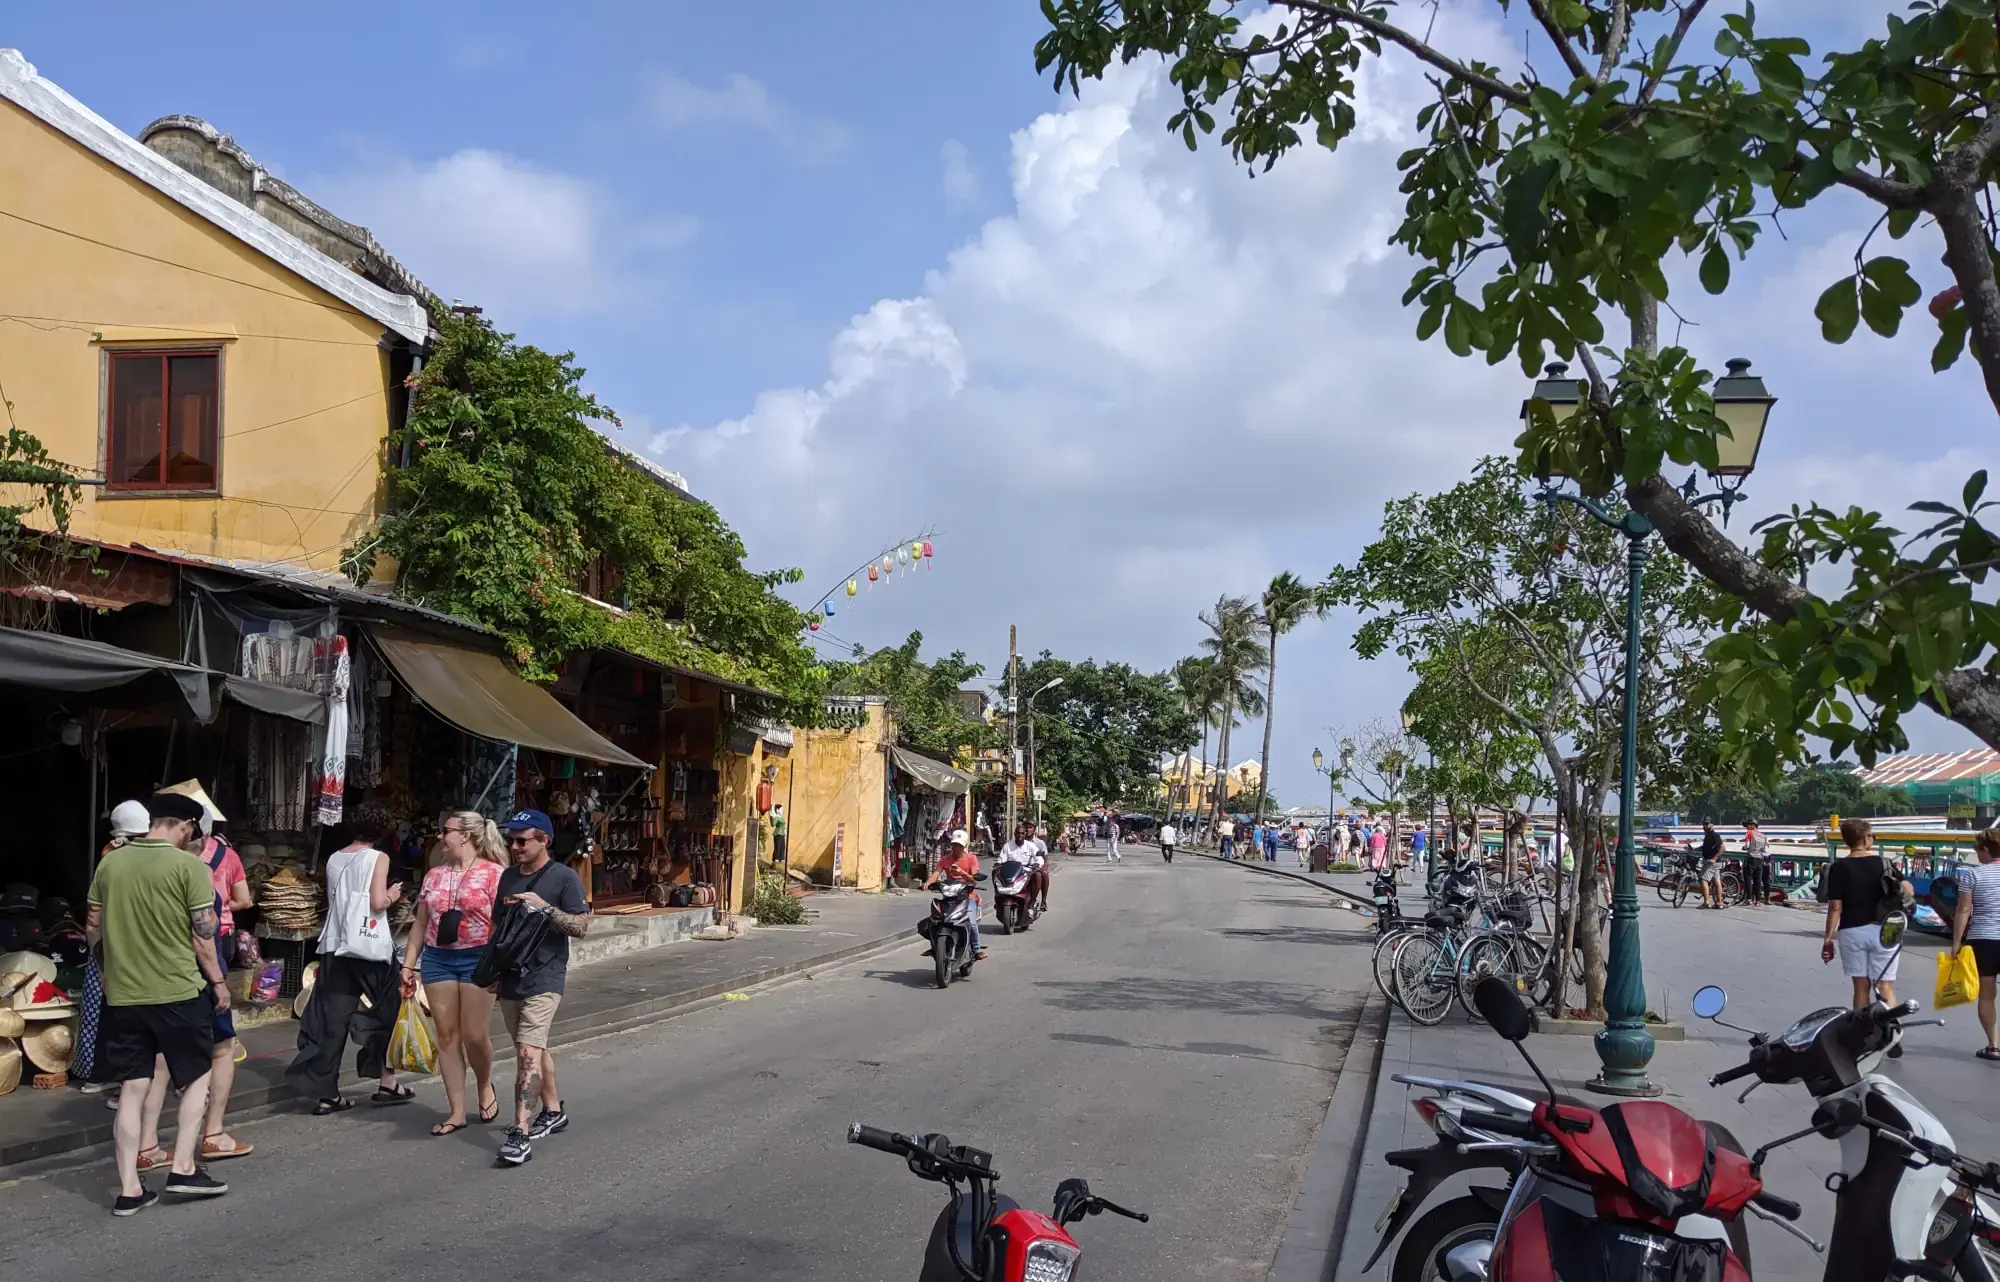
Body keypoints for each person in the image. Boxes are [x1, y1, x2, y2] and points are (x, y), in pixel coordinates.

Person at [87, 793, 230, 1213]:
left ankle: (130, 1190)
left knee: (133, 1087)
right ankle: (183, 1168)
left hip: (125, 996)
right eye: (195, 832)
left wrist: (106, 974)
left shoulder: (110, 862)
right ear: (185, 826)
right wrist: (219, 983)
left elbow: (93, 926)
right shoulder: (189, 867)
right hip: (178, 993)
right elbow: (204, 937)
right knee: (198, 1076)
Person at [286, 806, 408, 1115]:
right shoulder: (378, 857)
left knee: (331, 1019)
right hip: (368, 947)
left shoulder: (334, 859)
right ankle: (387, 1081)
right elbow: (377, 902)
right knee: (387, 1007)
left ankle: (326, 1093)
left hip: (334, 945)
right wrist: (394, 894)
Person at [493, 809, 591, 1167]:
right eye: (512, 840)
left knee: (526, 1055)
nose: (515, 846)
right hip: (510, 978)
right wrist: (490, 973)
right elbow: (497, 930)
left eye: (522, 840)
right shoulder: (507, 878)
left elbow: (581, 927)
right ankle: (552, 1110)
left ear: (543, 841)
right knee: (531, 1047)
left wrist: (545, 910)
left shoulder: (564, 878)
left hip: (545, 977)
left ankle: (520, 1132)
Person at [399, 811, 506, 1135]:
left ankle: (484, 1084)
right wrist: (408, 964)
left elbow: (501, 925)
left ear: (466, 835)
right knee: (446, 1035)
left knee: (474, 1034)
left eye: (446, 831)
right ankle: (457, 1111)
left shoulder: (494, 874)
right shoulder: (433, 875)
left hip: (477, 958)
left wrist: (499, 965)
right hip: (437, 959)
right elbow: (420, 923)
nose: (441, 836)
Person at [74, 801, 151, 1097]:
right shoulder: (148, 860)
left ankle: (96, 1074)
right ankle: (128, 1082)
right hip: (136, 948)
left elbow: (93, 918)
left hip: (106, 947)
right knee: (133, 1016)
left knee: (100, 1011)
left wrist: (97, 953)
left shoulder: (108, 857)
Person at [1821, 817, 1913, 1046]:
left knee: (1861, 986)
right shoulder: (1884, 862)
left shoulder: (1838, 867)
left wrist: (1828, 939)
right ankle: (1893, 1034)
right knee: (1884, 986)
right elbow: (1907, 888)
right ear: (1864, 838)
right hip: (1885, 929)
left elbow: (1835, 907)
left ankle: (1862, 1036)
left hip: (1852, 931)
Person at [1949, 829, 2000, 1060]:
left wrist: (1956, 943)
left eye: (1977, 850)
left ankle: (1994, 1046)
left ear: (1986, 849)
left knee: (1987, 995)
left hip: (1984, 940)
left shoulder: (1973, 875)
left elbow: (1963, 910)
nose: (1976, 854)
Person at [925, 831, 986, 960]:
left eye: (959, 845)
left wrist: (962, 872)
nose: (956, 848)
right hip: (950, 896)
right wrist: (929, 882)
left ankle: (976, 949)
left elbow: (974, 879)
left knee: (971, 922)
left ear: (965, 846)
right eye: (954, 845)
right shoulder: (945, 859)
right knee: (934, 920)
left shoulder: (972, 859)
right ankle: (935, 945)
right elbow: (936, 873)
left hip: (967, 896)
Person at [1740, 819, 1772, 907]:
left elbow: (1747, 846)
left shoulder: (1750, 833)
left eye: (1747, 825)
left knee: (1748, 879)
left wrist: (1743, 847)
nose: (1746, 828)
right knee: (1758, 880)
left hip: (1751, 858)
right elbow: (1766, 850)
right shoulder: (1763, 836)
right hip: (1760, 859)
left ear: (1753, 825)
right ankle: (1758, 901)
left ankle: (1749, 899)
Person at [1699, 821, 1726, 909]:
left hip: (1712, 861)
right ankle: (1719, 902)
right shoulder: (1707, 836)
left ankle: (1707, 902)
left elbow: (1722, 847)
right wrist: (1692, 848)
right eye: (1703, 825)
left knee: (1704, 880)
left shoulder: (1715, 835)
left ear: (1712, 825)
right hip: (1714, 862)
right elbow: (1705, 848)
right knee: (1716, 880)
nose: (1704, 826)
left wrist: (1714, 858)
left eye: (1706, 824)